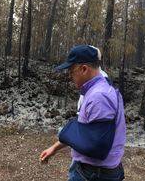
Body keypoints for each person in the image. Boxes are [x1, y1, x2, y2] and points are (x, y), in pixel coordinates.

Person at [40, 45, 126, 181]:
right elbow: (87, 132)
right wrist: (55, 148)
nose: (70, 76)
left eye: (71, 71)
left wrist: (67, 133)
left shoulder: (99, 97)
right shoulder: (101, 89)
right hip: (96, 171)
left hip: (93, 174)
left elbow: (97, 146)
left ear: (84, 69)